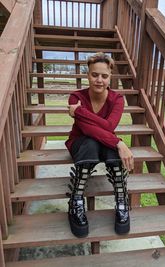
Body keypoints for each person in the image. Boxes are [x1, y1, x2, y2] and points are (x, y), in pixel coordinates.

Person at [65, 52, 134, 238]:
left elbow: (109, 126)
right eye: (94, 74)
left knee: (112, 151)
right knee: (91, 143)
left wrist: (79, 113)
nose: (99, 80)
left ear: (110, 77)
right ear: (88, 75)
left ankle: (121, 200)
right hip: (81, 142)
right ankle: (76, 200)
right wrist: (118, 141)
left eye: (104, 76)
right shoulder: (75, 97)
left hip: (105, 141)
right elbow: (88, 130)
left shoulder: (117, 99)